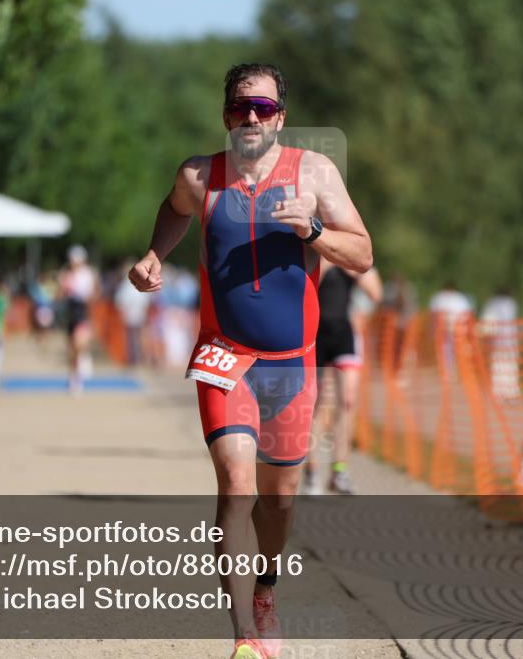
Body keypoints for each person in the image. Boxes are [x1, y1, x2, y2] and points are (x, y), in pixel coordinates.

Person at [128, 63, 372, 659]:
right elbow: (173, 209)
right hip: (223, 354)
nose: (252, 118)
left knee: (279, 500)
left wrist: (313, 230)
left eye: (263, 108)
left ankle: (266, 588)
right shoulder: (198, 175)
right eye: (241, 107)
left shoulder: (314, 173)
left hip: (293, 364)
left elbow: (362, 255)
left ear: (281, 116)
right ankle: (244, 638)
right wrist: (154, 255)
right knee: (236, 487)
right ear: (226, 115)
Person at [305, 258, 382, 495]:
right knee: (314, 404)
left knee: (347, 400)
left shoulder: (349, 256)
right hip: (313, 335)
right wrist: (322, 265)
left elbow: (376, 293)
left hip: (343, 335)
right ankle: (312, 471)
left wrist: (353, 269)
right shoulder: (311, 255)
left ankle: (339, 470)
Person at [60, 245, 97, 391]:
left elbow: (92, 295)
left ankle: (82, 365)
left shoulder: (87, 274)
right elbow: (61, 294)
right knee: (71, 349)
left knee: (79, 343)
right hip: (70, 313)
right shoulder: (67, 274)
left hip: (82, 312)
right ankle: (73, 375)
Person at [480, 287, 520, 402]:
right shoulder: (512, 304)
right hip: (511, 340)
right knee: (511, 367)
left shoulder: (492, 303)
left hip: (498, 340)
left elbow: (487, 323)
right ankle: (511, 393)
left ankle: (499, 393)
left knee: (498, 367)